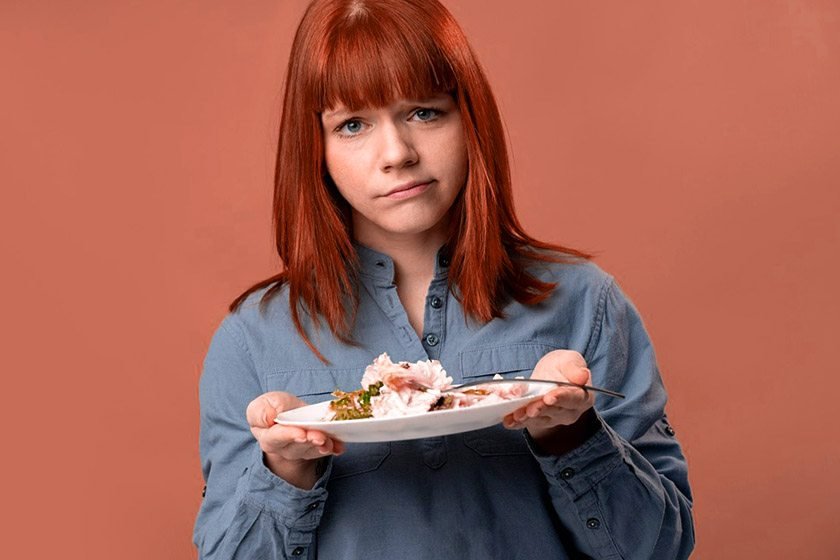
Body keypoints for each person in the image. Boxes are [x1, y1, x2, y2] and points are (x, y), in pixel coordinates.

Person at [193, 0, 695, 558]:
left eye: (424, 112)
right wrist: (284, 467)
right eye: (353, 124)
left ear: (469, 117)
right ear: (317, 149)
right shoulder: (252, 339)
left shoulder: (583, 303)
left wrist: (571, 435)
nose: (397, 154)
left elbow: (661, 549)